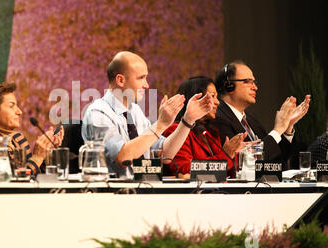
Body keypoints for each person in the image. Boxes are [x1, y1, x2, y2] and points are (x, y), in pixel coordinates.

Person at [81, 51, 214, 178]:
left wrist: (187, 121)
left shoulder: (135, 111)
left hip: (143, 190)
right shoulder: (98, 113)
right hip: (113, 194)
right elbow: (123, 157)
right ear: (120, 80)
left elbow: (165, 155)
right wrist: (160, 125)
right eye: (141, 78)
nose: (147, 85)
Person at [213, 61, 310, 162]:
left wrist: (287, 127)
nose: (255, 87)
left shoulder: (252, 121)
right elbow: (246, 160)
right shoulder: (218, 118)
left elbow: (276, 159)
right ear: (229, 86)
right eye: (248, 81)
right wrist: (278, 130)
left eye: (254, 82)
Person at [163, 76, 247, 178]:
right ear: (196, 99)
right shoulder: (175, 130)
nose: (217, 102)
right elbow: (183, 170)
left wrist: (239, 155)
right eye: (212, 96)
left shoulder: (211, 131)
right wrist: (225, 156)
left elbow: (224, 173)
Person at [0, 82, 64, 174]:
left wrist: (46, 152)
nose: (19, 112)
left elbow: (36, 176)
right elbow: (13, 182)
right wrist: (37, 157)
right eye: (11, 106)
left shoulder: (18, 138)